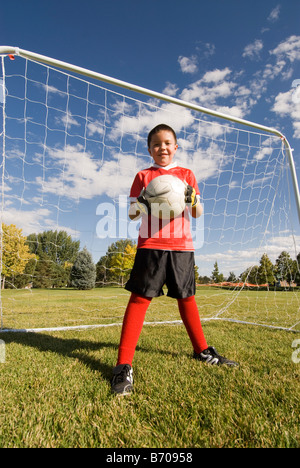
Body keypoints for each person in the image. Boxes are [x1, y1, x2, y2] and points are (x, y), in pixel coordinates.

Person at [111, 124, 238, 396]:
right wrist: (141, 205)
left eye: (167, 142)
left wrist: (193, 200)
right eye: (156, 144)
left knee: (186, 298)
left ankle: (202, 351)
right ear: (149, 149)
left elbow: (198, 213)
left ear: (176, 146)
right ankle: (123, 366)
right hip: (151, 245)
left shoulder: (186, 174)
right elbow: (132, 214)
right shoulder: (143, 176)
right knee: (139, 299)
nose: (162, 148)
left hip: (182, 247)